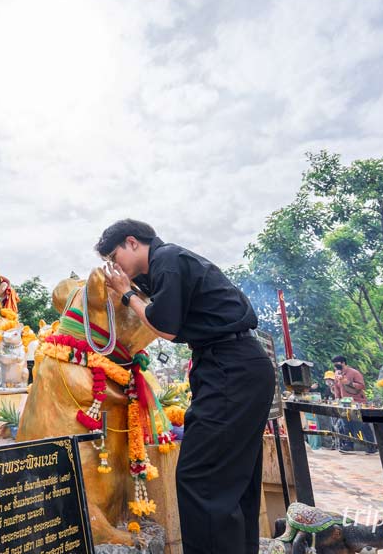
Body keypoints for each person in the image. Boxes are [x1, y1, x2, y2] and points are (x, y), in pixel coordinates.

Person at [97, 219, 274, 554]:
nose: (112, 267)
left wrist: (126, 293)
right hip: (233, 365)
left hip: (230, 366)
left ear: (132, 242)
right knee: (234, 479)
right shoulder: (168, 266)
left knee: (200, 477)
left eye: (112, 256)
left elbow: (165, 326)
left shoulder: (168, 260)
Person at [331, 355, 376, 454]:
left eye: (337, 365)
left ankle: (371, 445)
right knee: (346, 424)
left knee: (362, 424)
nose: (336, 367)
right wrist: (337, 399)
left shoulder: (354, 372)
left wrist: (348, 382)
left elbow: (362, 385)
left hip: (357, 402)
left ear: (343, 363)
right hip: (344, 403)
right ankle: (349, 445)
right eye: (334, 366)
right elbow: (337, 388)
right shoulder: (337, 374)